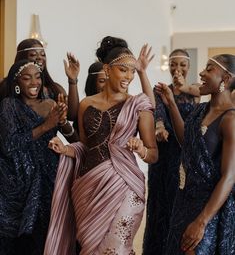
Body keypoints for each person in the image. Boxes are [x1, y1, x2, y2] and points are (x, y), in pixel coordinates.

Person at [44, 36, 158, 255]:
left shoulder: (138, 105)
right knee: (90, 248)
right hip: (88, 186)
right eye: (123, 70)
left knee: (117, 248)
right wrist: (65, 149)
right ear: (107, 69)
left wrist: (141, 149)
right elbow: (85, 146)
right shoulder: (87, 104)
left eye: (132, 71)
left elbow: (153, 154)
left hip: (126, 186)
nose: (129, 76)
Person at [156, 54, 235, 254]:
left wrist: (201, 222)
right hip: (183, 201)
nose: (201, 73)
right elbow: (187, 142)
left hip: (208, 209)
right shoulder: (200, 109)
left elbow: (229, 177)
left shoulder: (230, 120)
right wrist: (171, 104)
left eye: (209, 69)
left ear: (225, 79)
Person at [0, 59, 70, 254]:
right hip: (18, 182)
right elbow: (9, 145)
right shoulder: (9, 106)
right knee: (20, 239)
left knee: (46, 233)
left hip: (49, 177)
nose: (34, 82)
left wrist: (62, 122)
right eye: (27, 78)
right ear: (16, 83)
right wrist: (46, 126)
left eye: (38, 77)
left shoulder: (50, 104)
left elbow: (74, 137)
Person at [143, 49, 200, 254]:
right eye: (174, 64)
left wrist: (183, 87)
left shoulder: (195, 91)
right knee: (160, 203)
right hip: (164, 154)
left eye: (182, 65)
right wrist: (159, 127)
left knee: (179, 202)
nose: (178, 69)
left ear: (189, 67)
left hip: (183, 155)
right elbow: (158, 111)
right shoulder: (161, 90)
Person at [0, 38, 80, 122]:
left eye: (43, 54)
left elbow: (72, 116)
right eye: (33, 55)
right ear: (22, 58)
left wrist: (72, 80)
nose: (39, 58)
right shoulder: (6, 87)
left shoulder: (54, 88)